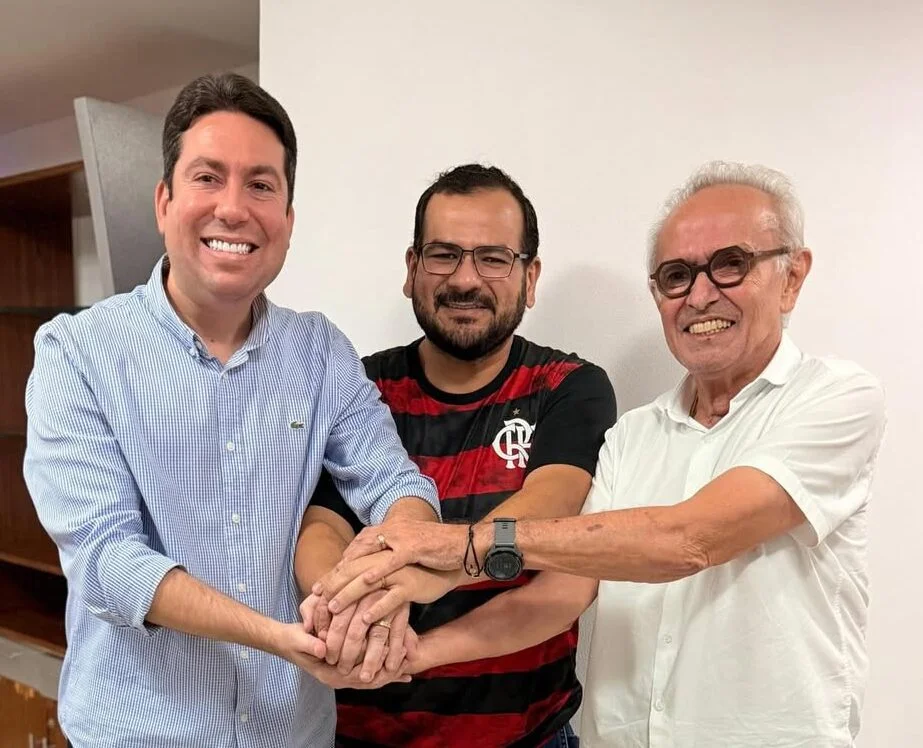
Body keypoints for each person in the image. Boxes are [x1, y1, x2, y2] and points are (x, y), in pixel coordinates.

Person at [317, 162, 887, 747]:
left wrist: (457, 548)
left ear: (792, 277)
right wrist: (412, 653)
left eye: (731, 265)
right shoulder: (633, 436)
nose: (700, 295)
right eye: (677, 275)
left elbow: (687, 540)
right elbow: (562, 594)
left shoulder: (836, 398)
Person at [23, 72, 439, 748]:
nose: (234, 208)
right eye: (207, 178)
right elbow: (107, 562)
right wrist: (276, 637)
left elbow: (395, 484)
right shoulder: (78, 353)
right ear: (164, 201)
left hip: (292, 734)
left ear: (288, 220)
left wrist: (390, 591)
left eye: (261, 185)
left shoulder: (321, 353)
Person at [295, 164, 616, 747]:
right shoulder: (360, 386)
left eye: (494, 258)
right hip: (358, 734)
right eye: (443, 255)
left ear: (530, 277)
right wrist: (351, 611)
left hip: (526, 737)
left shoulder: (568, 387)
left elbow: (550, 513)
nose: (466, 279)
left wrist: (428, 585)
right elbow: (323, 527)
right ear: (412, 269)